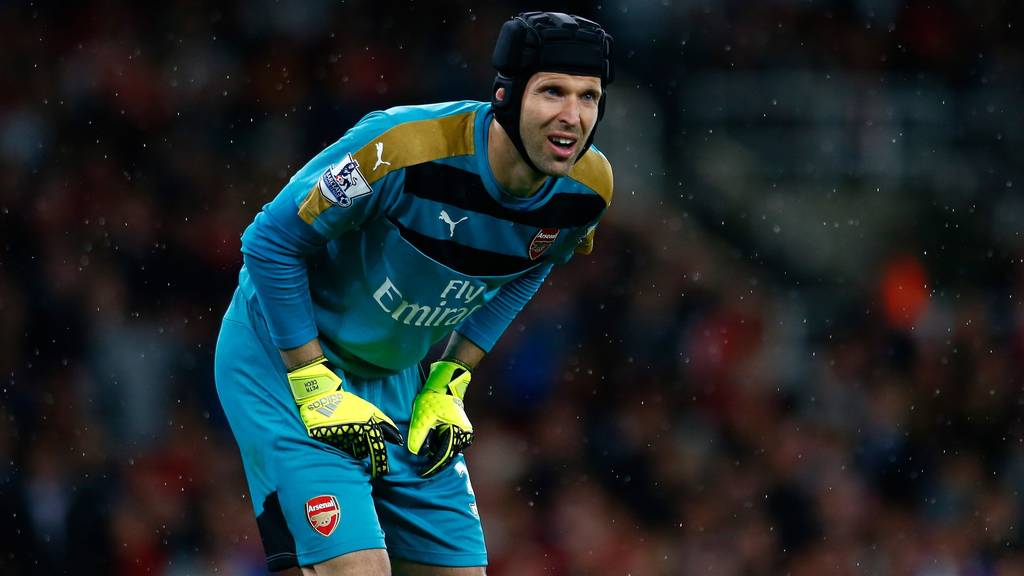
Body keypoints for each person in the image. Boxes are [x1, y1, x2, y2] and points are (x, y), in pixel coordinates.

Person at [214, 11, 614, 575]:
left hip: (394, 376)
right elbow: (270, 243)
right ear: (507, 94)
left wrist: (452, 376)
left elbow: (535, 263)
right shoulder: (399, 149)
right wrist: (312, 382)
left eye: (589, 97)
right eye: (552, 91)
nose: (572, 117)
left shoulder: (586, 190)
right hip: (280, 361)